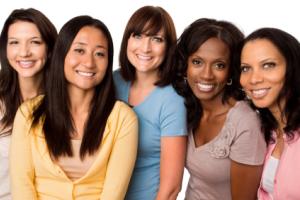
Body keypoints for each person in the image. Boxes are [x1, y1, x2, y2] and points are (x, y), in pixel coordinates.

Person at [10, 15, 138, 200]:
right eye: (79, 50)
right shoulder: (27, 114)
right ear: (62, 55)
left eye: (99, 54)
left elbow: (113, 193)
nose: (89, 62)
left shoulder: (123, 118)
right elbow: (22, 187)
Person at [171, 18, 266, 200]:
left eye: (219, 65)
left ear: (231, 71)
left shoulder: (245, 123)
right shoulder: (185, 106)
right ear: (185, 66)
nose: (206, 75)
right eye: (197, 62)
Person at [113, 6, 187, 200]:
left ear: (168, 47)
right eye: (138, 36)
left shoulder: (173, 100)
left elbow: (171, 187)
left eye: (157, 39)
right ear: (127, 40)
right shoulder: (113, 82)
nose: (145, 48)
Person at [0, 8, 57, 199]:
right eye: (14, 43)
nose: (24, 52)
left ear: (49, 49)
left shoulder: (66, 102)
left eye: (35, 42)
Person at [239, 27, 300, 199]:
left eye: (268, 65)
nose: (254, 79)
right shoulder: (264, 132)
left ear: (292, 67)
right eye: (245, 68)